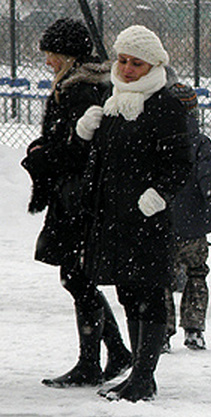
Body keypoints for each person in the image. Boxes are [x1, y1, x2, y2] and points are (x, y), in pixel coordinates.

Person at [76, 25, 192, 402]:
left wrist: (157, 195)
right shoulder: (113, 102)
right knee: (129, 294)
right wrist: (87, 134)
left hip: (146, 219)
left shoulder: (165, 106)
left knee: (149, 295)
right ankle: (139, 375)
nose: (126, 69)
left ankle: (144, 377)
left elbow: (180, 163)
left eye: (136, 63)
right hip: (114, 217)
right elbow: (103, 162)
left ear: (153, 66)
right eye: (123, 60)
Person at [21, 17, 132, 388]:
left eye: (51, 54)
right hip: (80, 195)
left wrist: (43, 157)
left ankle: (94, 361)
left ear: (66, 56)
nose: (47, 61)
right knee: (78, 277)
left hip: (78, 198)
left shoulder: (79, 90)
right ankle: (113, 352)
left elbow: (80, 149)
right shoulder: (85, 85)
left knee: (77, 277)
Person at [164, 82, 211, 350]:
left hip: (161, 223)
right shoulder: (200, 143)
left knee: (161, 279)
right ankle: (193, 328)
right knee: (197, 273)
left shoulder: (156, 139)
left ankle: (161, 332)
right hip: (193, 225)